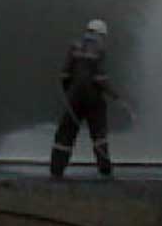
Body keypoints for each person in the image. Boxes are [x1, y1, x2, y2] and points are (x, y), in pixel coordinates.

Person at [50, 17, 117, 178]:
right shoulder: (100, 48)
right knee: (99, 134)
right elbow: (100, 77)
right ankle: (105, 169)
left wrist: (69, 92)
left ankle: (57, 169)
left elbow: (65, 73)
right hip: (94, 98)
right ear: (102, 33)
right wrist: (114, 94)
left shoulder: (74, 46)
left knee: (65, 134)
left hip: (74, 98)